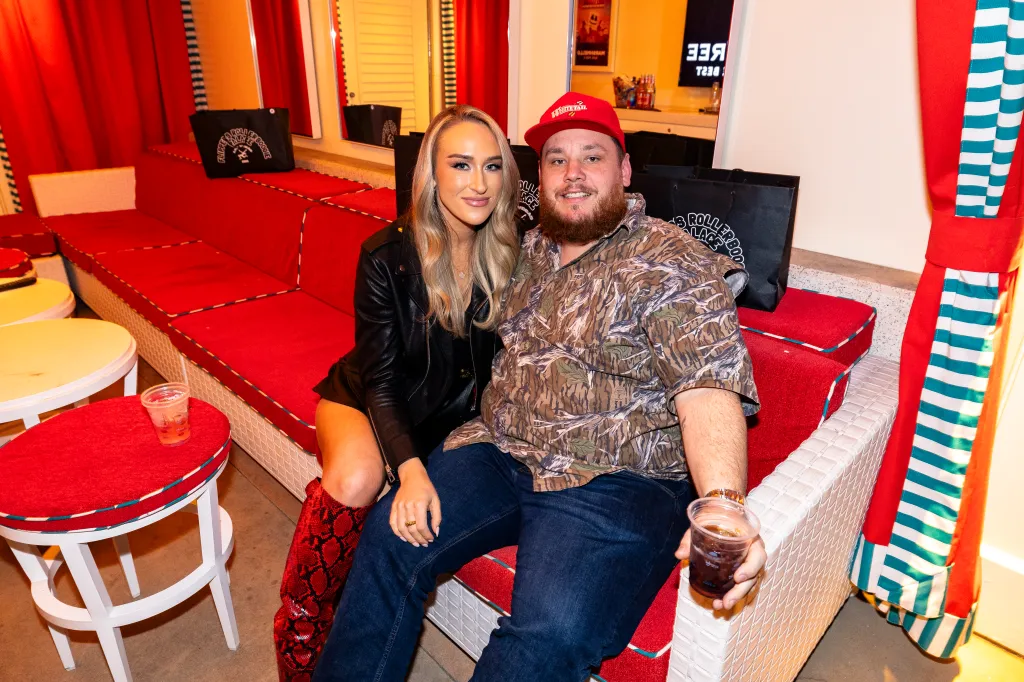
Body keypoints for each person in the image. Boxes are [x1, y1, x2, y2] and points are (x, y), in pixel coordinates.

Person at [313, 93, 768, 682]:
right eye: (556, 159)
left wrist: (724, 509)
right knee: (387, 539)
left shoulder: (667, 259)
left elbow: (705, 386)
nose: (573, 174)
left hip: (613, 482)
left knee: (547, 638)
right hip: (499, 450)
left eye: (592, 156)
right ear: (539, 175)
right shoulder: (523, 251)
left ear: (625, 171)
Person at [273, 105, 521, 681]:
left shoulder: (509, 253)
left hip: (446, 419)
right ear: (432, 174)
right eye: (460, 165)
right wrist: (410, 469)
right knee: (359, 479)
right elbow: (381, 379)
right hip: (366, 398)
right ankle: (302, 635)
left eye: (491, 167)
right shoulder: (387, 255)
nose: (479, 184)